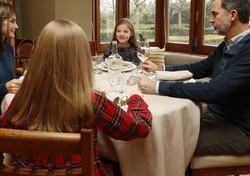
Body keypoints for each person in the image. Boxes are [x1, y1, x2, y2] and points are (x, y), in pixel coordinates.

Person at [0, 19, 152, 176]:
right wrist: (135, 99)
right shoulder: (92, 101)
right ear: (81, 58)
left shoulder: (22, 99)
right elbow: (139, 128)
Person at [138, 0, 250, 156]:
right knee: (164, 132)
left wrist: (157, 86)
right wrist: (160, 69)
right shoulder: (227, 44)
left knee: (171, 145)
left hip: (240, 128)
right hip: (215, 114)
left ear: (232, 15)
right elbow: (198, 69)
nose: (210, 20)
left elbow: (214, 90)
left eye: (214, 14)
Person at [0, 2, 21, 113]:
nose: (16, 26)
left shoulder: (8, 48)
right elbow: (5, 85)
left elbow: (8, 79)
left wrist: (24, 77)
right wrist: (5, 87)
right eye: (12, 21)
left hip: (7, 109)